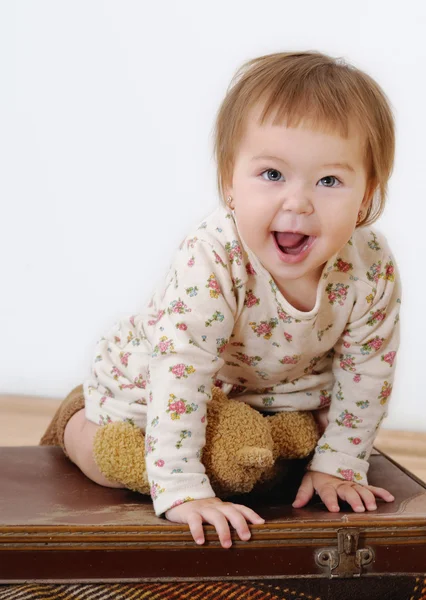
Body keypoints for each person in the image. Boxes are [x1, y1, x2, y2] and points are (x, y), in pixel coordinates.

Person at [64, 50, 401, 549]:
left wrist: (339, 464)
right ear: (229, 183)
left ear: (367, 195)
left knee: (291, 457)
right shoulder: (213, 256)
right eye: (272, 174)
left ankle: (254, 447)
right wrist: (181, 491)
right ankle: (75, 428)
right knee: (113, 460)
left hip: (277, 394)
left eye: (329, 180)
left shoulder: (368, 265)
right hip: (163, 379)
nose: (298, 201)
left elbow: (368, 371)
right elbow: (181, 369)